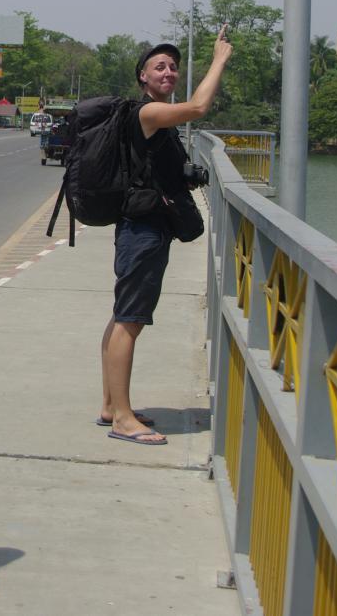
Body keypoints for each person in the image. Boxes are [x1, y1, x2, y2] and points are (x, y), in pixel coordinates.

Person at [100, 28, 232, 446]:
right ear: (142, 76)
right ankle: (122, 419)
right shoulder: (147, 114)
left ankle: (110, 405)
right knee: (130, 321)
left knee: (123, 316)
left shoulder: (155, 117)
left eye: (174, 67)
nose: (169, 72)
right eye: (160, 66)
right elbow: (198, 106)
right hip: (143, 231)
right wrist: (219, 59)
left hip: (141, 228)